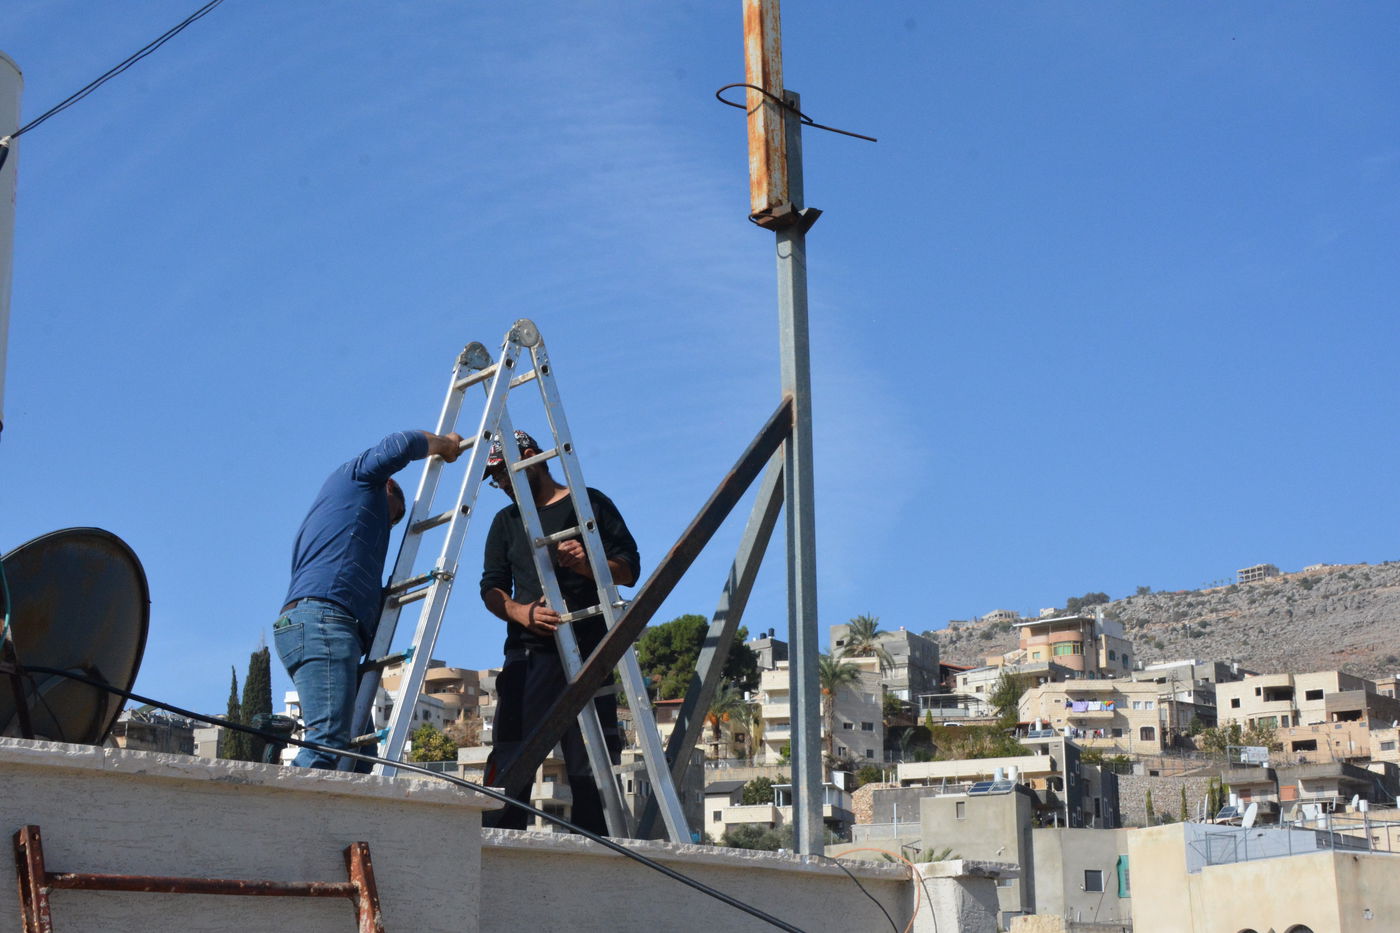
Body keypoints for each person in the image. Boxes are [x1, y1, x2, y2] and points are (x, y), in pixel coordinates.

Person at [479, 430, 639, 834]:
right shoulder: (506, 521)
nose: (500, 485)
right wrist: (522, 612)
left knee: (590, 760)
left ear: (530, 459)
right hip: (530, 653)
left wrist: (588, 563)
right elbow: (491, 587)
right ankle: (499, 844)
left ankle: (594, 851)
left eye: (503, 474)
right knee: (512, 753)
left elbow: (630, 570)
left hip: (589, 652)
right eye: (495, 479)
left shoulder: (590, 505)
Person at [275, 429, 463, 769]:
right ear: (389, 486)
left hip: (320, 624)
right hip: (324, 622)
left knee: (358, 759)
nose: (390, 525)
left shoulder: (345, 523)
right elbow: (401, 444)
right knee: (327, 745)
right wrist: (445, 446)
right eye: (394, 514)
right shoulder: (358, 478)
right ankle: (281, 821)